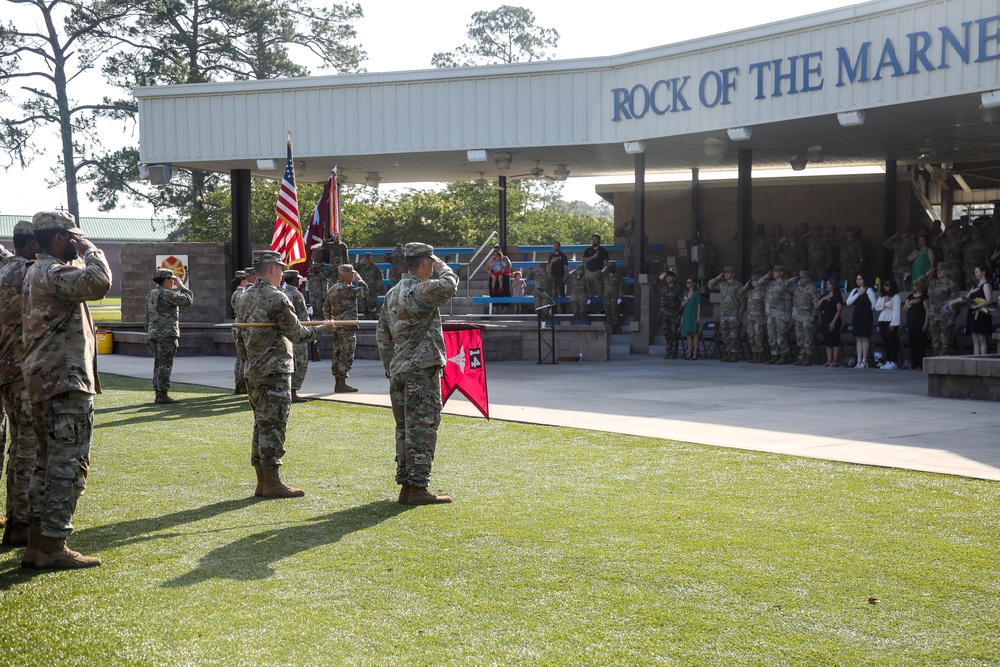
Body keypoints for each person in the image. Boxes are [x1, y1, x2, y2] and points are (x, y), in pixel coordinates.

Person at [20, 210, 111, 569]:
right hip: (64, 383)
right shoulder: (53, 272)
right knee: (68, 466)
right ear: (59, 239)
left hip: (46, 381)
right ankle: (54, 545)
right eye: (72, 238)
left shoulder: (34, 271)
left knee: (45, 464)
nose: (76, 242)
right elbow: (100, 282)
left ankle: (36, 544)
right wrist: (92, 250)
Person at [243, 251, 334, 499]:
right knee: (273, 426)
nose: (282, 273)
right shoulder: (277, 297)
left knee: (261, 425)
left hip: (253, 369)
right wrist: (322, 329)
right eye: (281, 268)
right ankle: (272, 483)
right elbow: (297, 334)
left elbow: (239, 337)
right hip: (274, 370)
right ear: (272, 269)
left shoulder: (244, 295)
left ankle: (263, 482)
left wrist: (247, 361)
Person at [376, 242, 458, 505]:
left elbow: (382, 337)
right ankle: (418, 488)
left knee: (404, 429)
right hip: (421, 371)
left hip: (399, 370)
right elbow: (450, 285)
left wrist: (391, 366)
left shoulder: (392, 294)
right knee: (422, 429)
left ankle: (406, 484)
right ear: (425, 263)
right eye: (431, 263)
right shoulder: (423, 289)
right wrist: (443, 266)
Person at [0, 220, 40, 547]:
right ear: (31, 246)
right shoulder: (26, 272)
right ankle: (21, 523)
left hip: (6, 371)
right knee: (27, 448)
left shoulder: (4, 270)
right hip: (21, 370)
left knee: (17, 448)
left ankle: (15, 520)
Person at [143, 268, 194, 404]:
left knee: (158, 363)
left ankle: (158, 391)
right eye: (172, 279)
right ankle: (162, 394)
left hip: (153, 332)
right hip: (166, 333)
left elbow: (146, 316)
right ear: (166, 280)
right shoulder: (167, 294)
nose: (173, 281)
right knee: (165, 364)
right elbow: (188, 300)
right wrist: (182, 287)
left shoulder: (151, 294)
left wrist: (149, 330)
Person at [324, 264, 368, 393]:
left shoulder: (333, 288)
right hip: (347, 328)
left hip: (336, 327)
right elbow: (365, 292)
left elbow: (325, 308)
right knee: (346, 354)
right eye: (352, 274)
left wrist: (329, 323)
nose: (353, 276)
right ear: (346, 274)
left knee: (337, 353)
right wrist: (360, 280)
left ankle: (339, 383)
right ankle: (341, 383)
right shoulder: (348, 288)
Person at [913, 262, 961, 357]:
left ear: (947, 271)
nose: (938, 272)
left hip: (945, 318)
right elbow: (916, 284)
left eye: (941, 270)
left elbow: (956, 303)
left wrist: (952, 318)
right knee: (935, 343)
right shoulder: (933, 283)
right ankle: (937, 366)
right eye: (937, 270)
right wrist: (926, 275)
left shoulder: (952, 284)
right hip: (934, 317)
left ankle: (946, 367)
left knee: (945, 343)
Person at [281, 270, 311, 403]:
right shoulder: (296, 294)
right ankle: (293, 391)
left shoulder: (280, 293)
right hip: (297, 332)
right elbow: (303, 317)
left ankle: (286, 390)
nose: (299, 282)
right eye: (298, 279)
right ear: (293, 280)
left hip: (284, 333)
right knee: (300, 362)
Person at [708, 267, 743, 362]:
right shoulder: (722, 284)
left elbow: (742, 300)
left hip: (734, 313)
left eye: (728, 272)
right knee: (725, 335)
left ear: (733, 274)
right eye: (725, 273)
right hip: (724, 314)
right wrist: (717, 278)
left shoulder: (738, 285)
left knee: (734, 335)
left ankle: (734, 353)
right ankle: (728, 352)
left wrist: (741, 312)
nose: (726, 274)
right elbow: (710, 285)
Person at [762, 265, 795, 364]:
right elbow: (759, 283)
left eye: (776, 271)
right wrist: (765, 277)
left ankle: (783, 356)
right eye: (773, 272)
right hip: (770, 314)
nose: (774, 273)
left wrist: (788, 282)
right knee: (772, 336)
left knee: (781, 336)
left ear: (781, 273)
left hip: (781, 314)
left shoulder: (786, 284)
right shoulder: (770, 284)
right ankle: (775, 355)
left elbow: (782, 290)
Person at [790, 270, 820, 365]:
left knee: (808, 339)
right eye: (800, 278)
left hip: (808, 317)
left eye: (803, 277)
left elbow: (817, 304)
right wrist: (790, 280)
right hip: (798, 317)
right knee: (800, 339)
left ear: (808, 278)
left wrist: (814, 315)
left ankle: (808, 358)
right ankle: (802, 357)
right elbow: (784, 287)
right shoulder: (797, 288)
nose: (801, 279)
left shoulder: (812, 289)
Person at [846, 274, 876, 368]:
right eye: (857, 279)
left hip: (866, 316)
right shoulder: (855, 291)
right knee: (858, 338)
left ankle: (864, 360)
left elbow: (874, 305)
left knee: (864, 337)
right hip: (857, 316)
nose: (858, 281)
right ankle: (858, 360)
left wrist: (867, 310)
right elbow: (848, 302)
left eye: (860, 279)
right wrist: (857, 295)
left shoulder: (869, 290)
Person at [964, 265, 994, 355]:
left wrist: (977, 306)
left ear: (983, 272)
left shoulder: (986, 285)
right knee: (975, 340)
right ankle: (975, 359)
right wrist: (971, 292)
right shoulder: (974, 286)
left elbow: (989, 300)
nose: (975, 274)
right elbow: (965, 299)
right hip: (972, 314)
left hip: (982, 314)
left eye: (977, 272)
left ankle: (983, 359)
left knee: (982, 339)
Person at [816, 278, 844, 367]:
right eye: (827, 284)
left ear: (834, 286)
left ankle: (835, 360)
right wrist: (822, 299)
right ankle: (829, 360)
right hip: (825, 320)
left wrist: (833, 322)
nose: (828, 286)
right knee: (827, 340)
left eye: (830, 284)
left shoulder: (837, 296)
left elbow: (839, 310)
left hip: (833, 320)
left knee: (834, 340)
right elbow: (817, 307)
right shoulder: (824, 296)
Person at [875, 276, 902, 369]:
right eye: (884, 286)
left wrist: (893, 323)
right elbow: (877, 307)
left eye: (887, 285)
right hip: (882, 319)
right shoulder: (882, 296)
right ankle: (888, 360)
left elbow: (896, 310)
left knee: (892, 341)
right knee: (886, 341)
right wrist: (884, 300)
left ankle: (894, 361)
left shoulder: (896, 296)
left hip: (891, 320)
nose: (886, 288)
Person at [740, 274, 767, 363]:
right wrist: (745, 287)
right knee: (751, 337)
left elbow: (766, 305)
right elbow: (739, 295)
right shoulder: (749, 292)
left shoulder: (763, 293)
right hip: (750, 318)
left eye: (755, 280)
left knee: (758, 337)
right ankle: (755, 354)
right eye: (752, 281)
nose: (753, 282)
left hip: (760, 318)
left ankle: (760, 355)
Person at [231, 270, 249, 394]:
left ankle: (239, 383)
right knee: (244, 356)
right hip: (242, 325)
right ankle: (241, 383)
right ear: (243, 280)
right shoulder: (242, 293)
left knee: (240, 356)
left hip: (237, 324)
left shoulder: (236, 293)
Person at [904, 287, 929, 370]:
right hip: (911, 323)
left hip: (920, 324)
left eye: (917, 285)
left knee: (920, 345)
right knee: (912, 344)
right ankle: (913, 363)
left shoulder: (924, 297)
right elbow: (905, 308)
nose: (915, 287)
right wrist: (910, 302)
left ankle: (920, 364)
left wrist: (926, 324)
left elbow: (927, 312)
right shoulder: (910, 296)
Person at [582, 234, 609, 308]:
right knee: (587, 291)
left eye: (596, 239)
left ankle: (601, 309)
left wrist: (602, 273)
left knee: (600, 292)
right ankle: (588, 309)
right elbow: (583, 260)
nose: (594, 241)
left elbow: (605, 264)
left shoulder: (603, 251)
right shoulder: (588, 250)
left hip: (598, 273)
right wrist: (592, 257)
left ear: (599, 240)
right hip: (589, 272)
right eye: (593, 239)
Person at [356, 252, 384, 320]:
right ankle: (365, 321)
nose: (368, 260)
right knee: (364, 306)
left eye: (369, 258)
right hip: (363, 289)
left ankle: (372, 321)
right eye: (366, 259)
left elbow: (379, 279)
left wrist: (379, 290)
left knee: (371, 307)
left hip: (372, 290)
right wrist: (360, 263)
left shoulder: (375, 268)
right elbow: (353, 270)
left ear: (371, 259)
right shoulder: (360, 267)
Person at [681, 278, 701, 359]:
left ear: (693, 283)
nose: (688, 284)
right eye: (687, 282)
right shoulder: (685, 293)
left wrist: (698, 317)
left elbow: (699, 305)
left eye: (690, 282)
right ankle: (689, 352)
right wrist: (688, 298)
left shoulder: (696, 293)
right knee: (688, 334)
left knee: (695, 333)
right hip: (686, 315)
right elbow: (682, 305)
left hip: (694, 315)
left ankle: (695, 352)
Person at [602, 261, 624, 331]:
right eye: (609, 267)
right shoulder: (605, 275)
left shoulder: (618, 276)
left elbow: (621, 287)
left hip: (615, 297)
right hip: (606, 296)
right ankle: (609, 325)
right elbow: (597, 277)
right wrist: (602, 270)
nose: (610, 269)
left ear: (614, 268)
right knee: (608, 311)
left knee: (615, 311)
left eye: (612, 267)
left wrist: (620, 297)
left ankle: (615, 326)